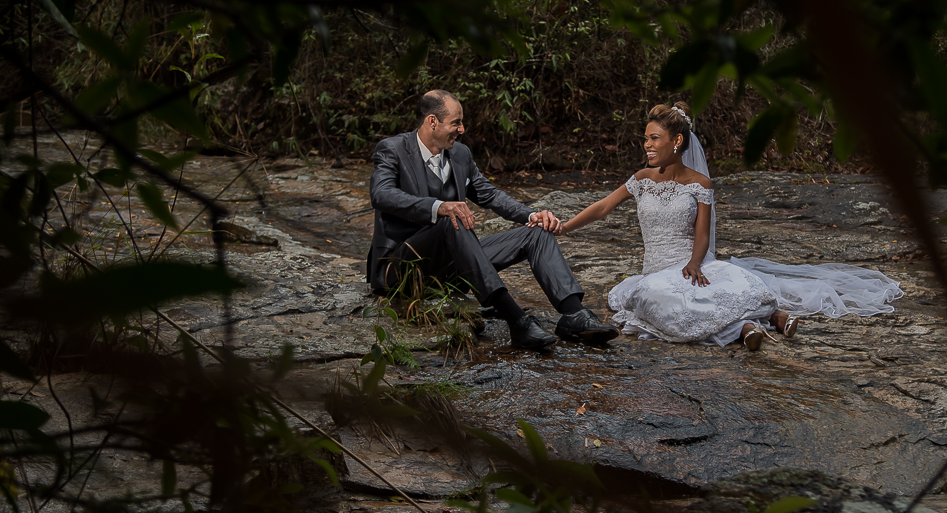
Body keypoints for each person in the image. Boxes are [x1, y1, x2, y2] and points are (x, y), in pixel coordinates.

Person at [559, 102, 902, 349]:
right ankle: (746, 327)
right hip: (656, 270)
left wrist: (695, 263)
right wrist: (564, 227)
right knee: (660, 299)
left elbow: (703, 234)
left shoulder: (700, 184)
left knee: (734, 285)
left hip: (692, 263)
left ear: (676, 141)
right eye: (645, 138)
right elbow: (602, 207)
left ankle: (771, 317)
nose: (647, 145)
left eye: (654, 138)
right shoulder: (641, 179)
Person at [367, 89, 619, 350]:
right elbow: (381, 194)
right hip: (403, 267)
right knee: (453, 219)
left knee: (537, 232)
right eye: (456, 122)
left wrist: (531, 215)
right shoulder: (393, 149)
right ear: (432, 121)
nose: (462, 129)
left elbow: (490, 195)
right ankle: (517, 320)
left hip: (453, 265)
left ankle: (574, 315)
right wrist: (439, 207)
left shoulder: (460, 154)